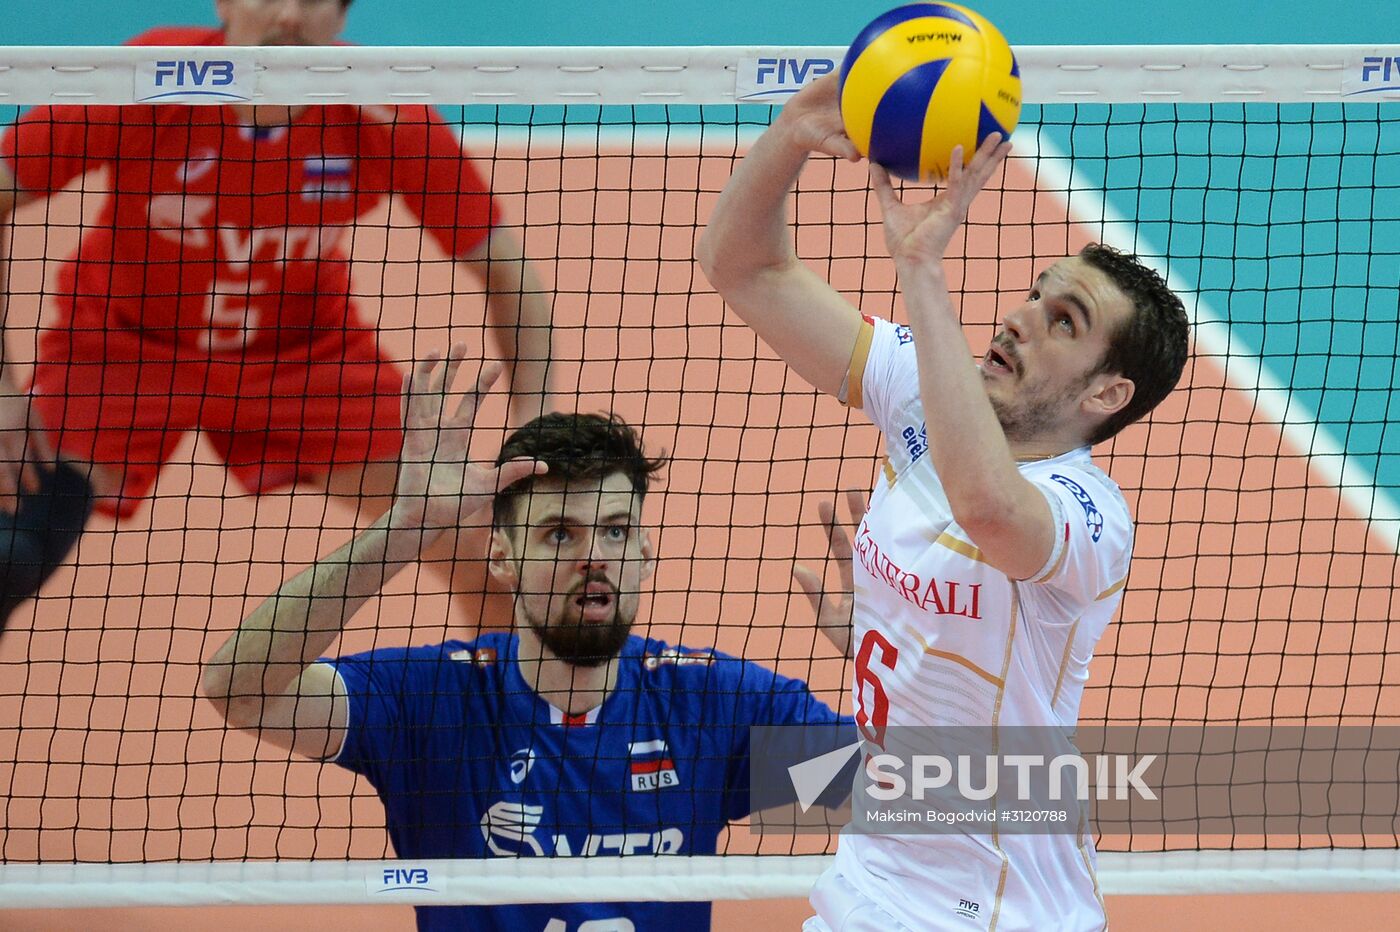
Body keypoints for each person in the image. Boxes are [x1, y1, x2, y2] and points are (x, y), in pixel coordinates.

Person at [697, 74, 1190, 931]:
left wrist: (921, 270)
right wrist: (795, 128)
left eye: (1065, 321)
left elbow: (988, 508)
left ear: (1107, 395)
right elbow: (744, 269)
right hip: (875, 877)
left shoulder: (1090, 516)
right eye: (1036, 293)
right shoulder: (925, 394)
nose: (1021, 317)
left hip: (998, 909)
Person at [200, 348, 852, 932]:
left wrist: (891, 664)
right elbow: (241, 691)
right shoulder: (431, 704)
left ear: (646, 553)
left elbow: (900, 801)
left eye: (617, 530)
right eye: (559, 533)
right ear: (501, 557)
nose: (595, 557)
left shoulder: (709, 707)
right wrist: (406, 526)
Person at [0, 0, 553, 628]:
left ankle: (499, 694)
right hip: (123, 351)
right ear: (225, 2)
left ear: (341, 16)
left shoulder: (382, 107)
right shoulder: (148, 77)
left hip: (303, 360)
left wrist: (535, 431)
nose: (288, 14)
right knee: (9, 552)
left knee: (493, 559)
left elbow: (511, 273)